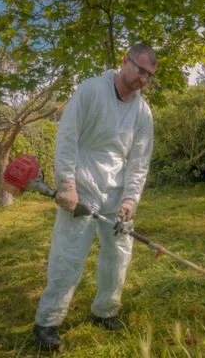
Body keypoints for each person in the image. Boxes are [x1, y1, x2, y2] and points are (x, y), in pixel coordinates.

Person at [34, 43, 157, 350]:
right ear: (124, 61)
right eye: (140, 70)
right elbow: (67, 135)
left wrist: (130, 199)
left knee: (118, 253)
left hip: (117, 193)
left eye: (149, 75)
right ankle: (48, 322)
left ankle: (105, 311)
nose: (143, 79)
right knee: (69, 254)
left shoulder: (143, 112)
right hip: (82, 183)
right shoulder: (90, 90)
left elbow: (139, 160)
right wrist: (66, 184)